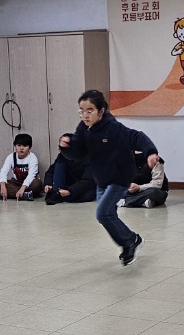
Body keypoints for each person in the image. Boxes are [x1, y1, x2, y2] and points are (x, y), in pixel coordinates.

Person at [60, 90, 159, 266]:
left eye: (89, 110)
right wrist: (67, 146)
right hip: (102, 178)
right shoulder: (83, 128)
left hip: (120, 177)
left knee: (103, 213)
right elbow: (79, 152)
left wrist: (150, 152)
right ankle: (130, 242)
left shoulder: (113, 128)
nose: (85, 115)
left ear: (101, 111)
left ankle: (130, 241)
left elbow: (136, 136)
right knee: (105, 215)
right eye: (81, 111)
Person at [44, 134, 95, 205]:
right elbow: (50, 172)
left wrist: (70, 191)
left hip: (82, 188)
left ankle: (60, 195)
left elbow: (88, 180)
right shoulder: (62, 156)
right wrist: (48, 184)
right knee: (60, 163)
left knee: (88, 195)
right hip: (66, 186)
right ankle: (57, 193)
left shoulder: (87, 156)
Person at [0, 133, 41, 200]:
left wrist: (22, 188)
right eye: (19, 145)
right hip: (15, 182)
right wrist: (3, 186)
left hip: (30, 183)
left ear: (30, 147)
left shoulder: (32, 158)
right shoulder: (11, 157)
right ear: (15, 146)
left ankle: (9, 194)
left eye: (25, 146)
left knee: (37, 184)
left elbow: (31, 175)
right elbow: (3, 171)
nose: (21, 148)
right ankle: (25, 195)